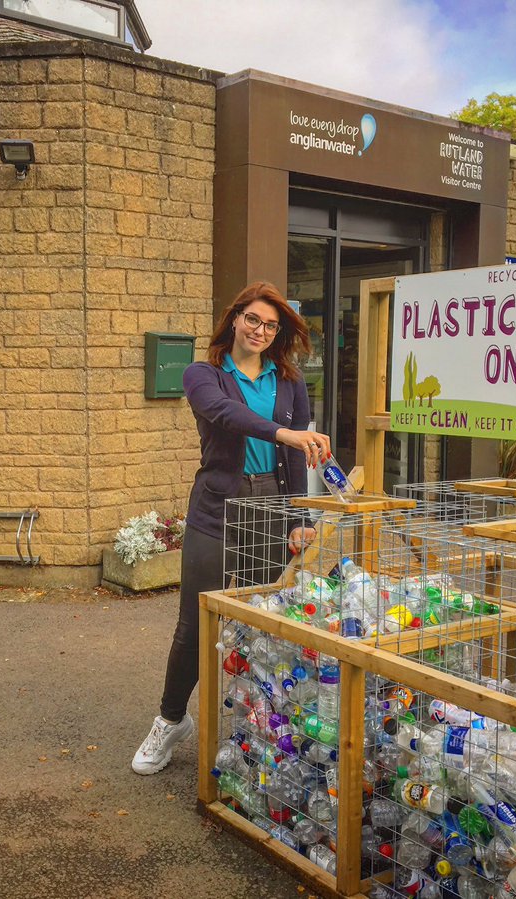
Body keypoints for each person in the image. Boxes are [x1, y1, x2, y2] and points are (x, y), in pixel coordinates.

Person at [131, 281, 331, 776]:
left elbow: (297, 456)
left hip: (272, 506)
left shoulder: (288, 380)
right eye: (253, 320)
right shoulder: (204, 374)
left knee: (266, 623)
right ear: (235, 319)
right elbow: (226, 415)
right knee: (195, 625)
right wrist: (283, 430)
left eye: (270, 325)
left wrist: (302, 518)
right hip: (218, 508)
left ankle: (262, 731)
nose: (261, 330)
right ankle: (170, 720)